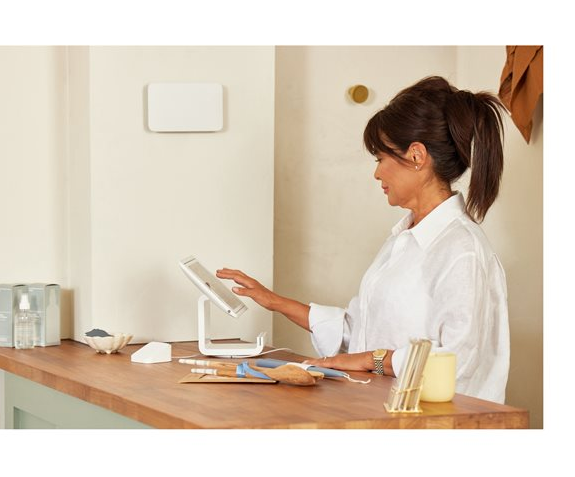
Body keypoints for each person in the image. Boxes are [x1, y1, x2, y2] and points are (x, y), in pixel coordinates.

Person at [217, 76, 510, 404]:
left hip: (440, 422)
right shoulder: (403, 240)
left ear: (417, 156)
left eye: (380, 158)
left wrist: (373, 360)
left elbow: (457, 362)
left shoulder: (462, 250)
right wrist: (275, 302)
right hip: (382, 411)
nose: (377, 173)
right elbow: (359, 332)